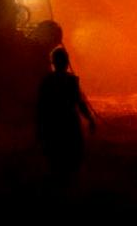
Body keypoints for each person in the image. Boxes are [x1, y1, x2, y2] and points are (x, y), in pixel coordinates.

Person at [36, 46, 96, 183]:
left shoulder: (47, 81)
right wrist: (90, 119)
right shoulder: (71, 80)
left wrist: (39, 128)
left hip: (52, 123)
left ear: (53, 62)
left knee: (55, 157)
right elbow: (79, 102)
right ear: (66, 62)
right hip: (69, 123)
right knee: (72, 156)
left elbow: (41, 106)